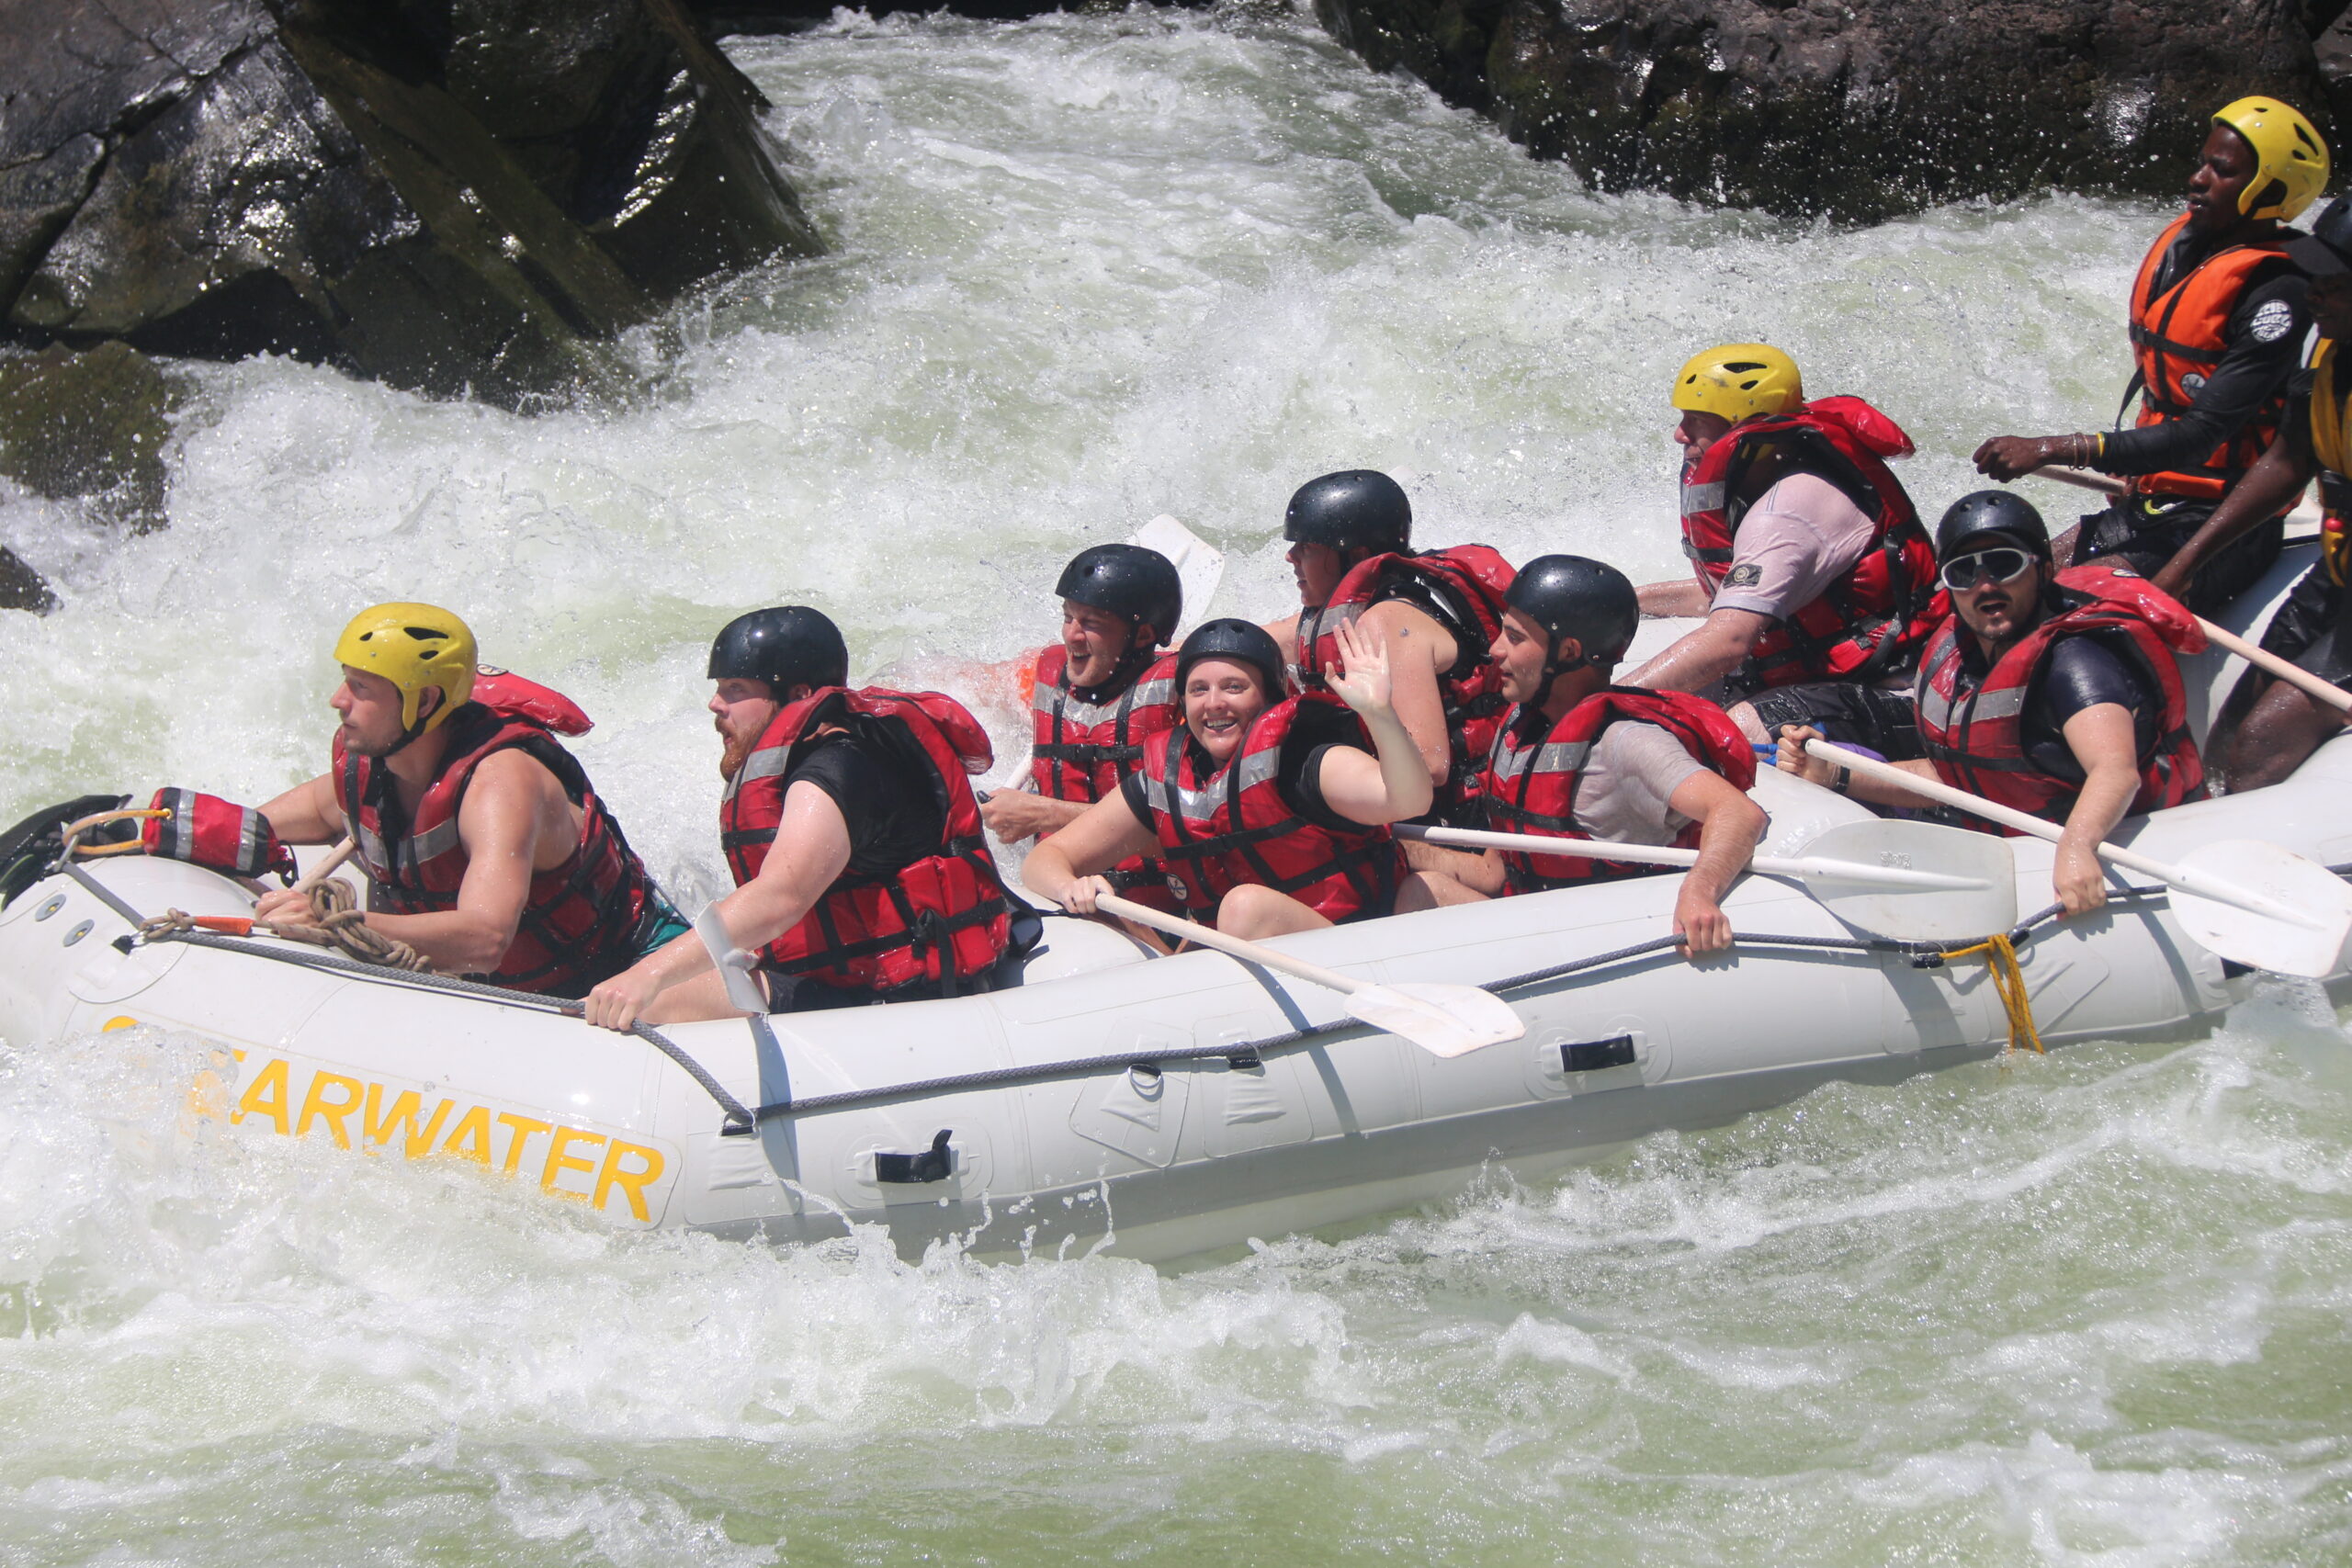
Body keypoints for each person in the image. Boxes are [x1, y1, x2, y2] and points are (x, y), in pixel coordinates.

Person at [582, 606, 1015, 1029]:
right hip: (851, 980)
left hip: (901, 1000)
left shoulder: (841, 769)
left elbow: (782, 897)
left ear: (800, 695)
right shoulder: (818, 758)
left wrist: (647, 975)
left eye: (735, 689)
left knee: (658, 1001)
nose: (715, 704)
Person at [1975, 97, 2330, 613]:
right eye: (2203, 163)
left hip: (2222, 525)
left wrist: (2052, 448)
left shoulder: (2277, 292)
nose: (2197, 179)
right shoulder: (2190, 250)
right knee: (2011, 585)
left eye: (2222, 171)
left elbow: (2201, 435)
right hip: (2152, 501)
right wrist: (2135, 470)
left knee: (2056, 616)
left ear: (2270, 191)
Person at [1777, 493, 2207, 916]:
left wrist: (2077, 847)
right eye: (1964, 572)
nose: (1985, 586)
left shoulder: (2074, 662)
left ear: (2044, 570)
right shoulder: (1966, 658)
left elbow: (2115, 771)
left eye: (2004, 565)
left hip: (2121, 842)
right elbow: (1957, 777)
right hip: (2008, 838)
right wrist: (1835, 774)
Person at [255, 602, 679, 997]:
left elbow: (485, 939)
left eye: (360, 686)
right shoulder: (374, 765)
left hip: (629, 969)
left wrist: (337, 925)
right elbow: (302, 816)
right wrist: (215, 832)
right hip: (512, 991)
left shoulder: (500, 784)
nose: (338, 700)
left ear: (424, 701)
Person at [1396, 557, 1766, 957]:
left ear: (1569, 651)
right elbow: (1493, 873)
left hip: (1597, 945)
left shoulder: (1626, 742)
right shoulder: (1520, 726)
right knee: (1421, 890)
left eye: (1515, 638)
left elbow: (1738, 813)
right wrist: (1391, 849)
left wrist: (1699, 892)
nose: (1495, 650)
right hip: (1537, 917)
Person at [1021, 617, 1430, 939]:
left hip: (1354, 947)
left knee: (1244, 907)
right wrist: (1070, 888)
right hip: (1250, 954)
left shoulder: (1306, 759)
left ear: (1269, 698)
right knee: (1111, 917)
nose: (1214, 703)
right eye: (1198, 690)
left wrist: (1380, 715)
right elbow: (1046, 859)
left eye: (1234, 687)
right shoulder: (1166, 779)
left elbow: (1408, 800)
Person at [1627, 343, 1939, 752]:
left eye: (1697, 420)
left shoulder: (1788, 510)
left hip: (1894, 693)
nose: (1679, 434)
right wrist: (1630, 601)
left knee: (1730, 730)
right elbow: (1731, 598)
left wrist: (1601, 703)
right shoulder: (1773, 475)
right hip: (1830, 676)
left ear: (1745, 425)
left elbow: (1729, 642)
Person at [2154, 195, 2352, 790]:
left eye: (2333, 283)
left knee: (2260, 742)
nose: (2313, 293)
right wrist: (2186, 562)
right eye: (2313, 276)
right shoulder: (2326, 352)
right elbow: (2288, 462)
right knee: (2230, 734)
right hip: (2336, 579)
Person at [1262, 469, 1515, 821]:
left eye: (1307, 547)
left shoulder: (1391, 624)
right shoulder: (1356, 609)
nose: (1290, 556)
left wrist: (1317, 771)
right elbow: (1271, 639)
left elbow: (1431, 766)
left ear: (1356, 555)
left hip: (1457, 819)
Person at [978, 543, 1182, 905]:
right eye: (1068, 617)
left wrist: (1045, 814)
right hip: (1052, 886)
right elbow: (973, 684)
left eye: (1091, 623)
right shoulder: (1046, 675)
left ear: (1144, 636)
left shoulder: (1189, 703)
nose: (1071, 635)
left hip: (1153, 906)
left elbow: (1200, 839)